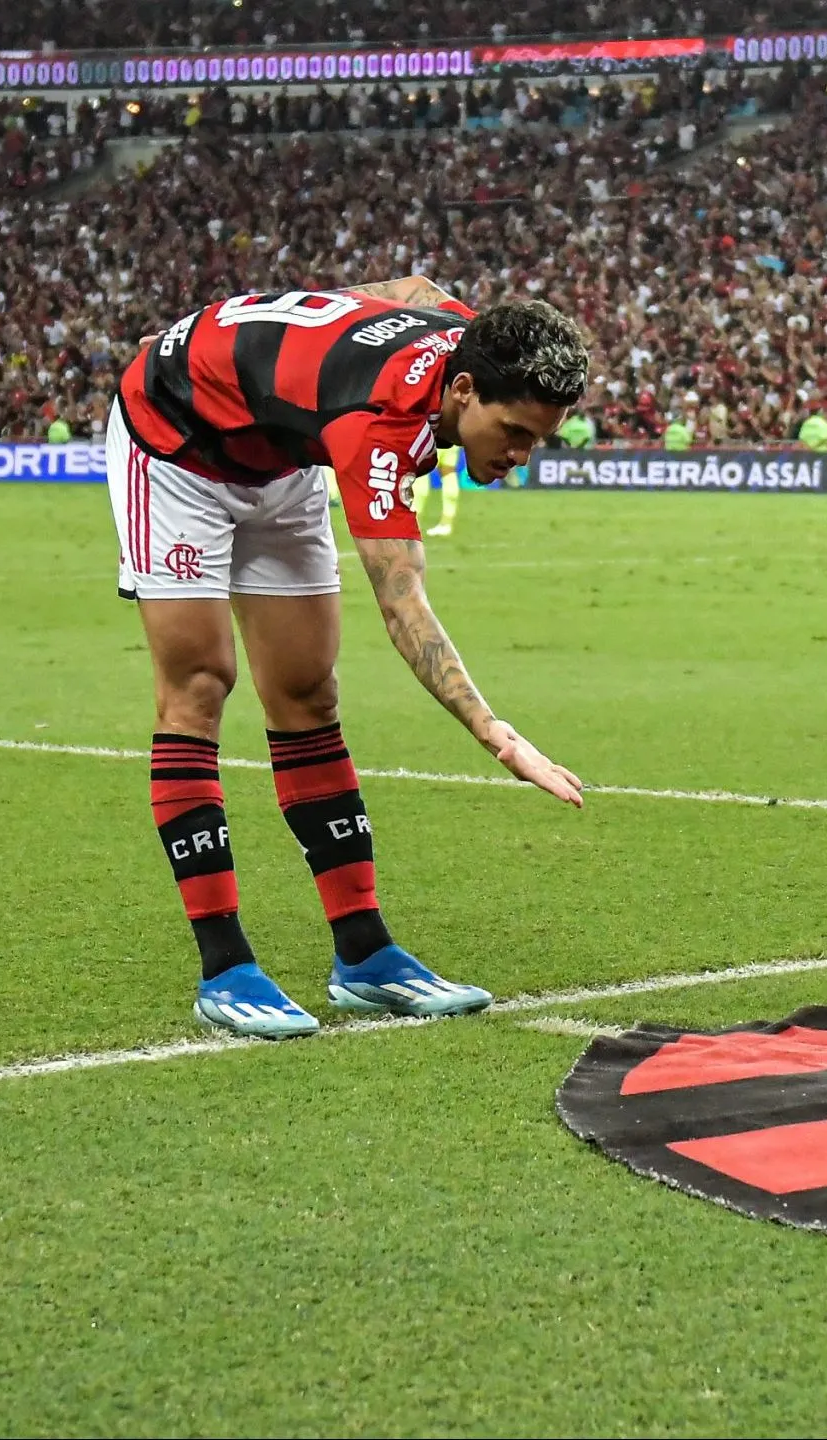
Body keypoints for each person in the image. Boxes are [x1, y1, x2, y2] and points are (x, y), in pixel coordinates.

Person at [110, 278, 589, 1038]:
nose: (522, 456)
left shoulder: (467, 335)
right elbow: (403, 604)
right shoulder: (378, 423)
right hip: (176, 441)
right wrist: (494, 731)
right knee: (200, 685)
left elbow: (410, 288)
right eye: (517, 432)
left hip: (280, 450)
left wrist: (244, 322)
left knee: (307, 693)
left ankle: (364, 956)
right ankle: (225, 966)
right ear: (463, 391)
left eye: (541, 438)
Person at [425, 444, 461, 537]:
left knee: (420, 471)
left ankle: (414, 522)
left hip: (432, 435)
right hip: (452, 435)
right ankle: (446, 523)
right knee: (448, 471)